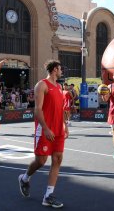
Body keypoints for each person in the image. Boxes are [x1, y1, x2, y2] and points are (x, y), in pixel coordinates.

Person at [18, 60, 68, 208]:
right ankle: (25, 178)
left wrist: (65, 125)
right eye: (60, 69)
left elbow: (61, 109)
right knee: (41, 161)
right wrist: (45, 128)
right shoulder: (42, 85)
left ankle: (48, 196)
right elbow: (38, 110)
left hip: (58, 129)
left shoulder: (59, 87)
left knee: (57, 160)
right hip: (45, 129)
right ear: (54, 70)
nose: (61, 71)